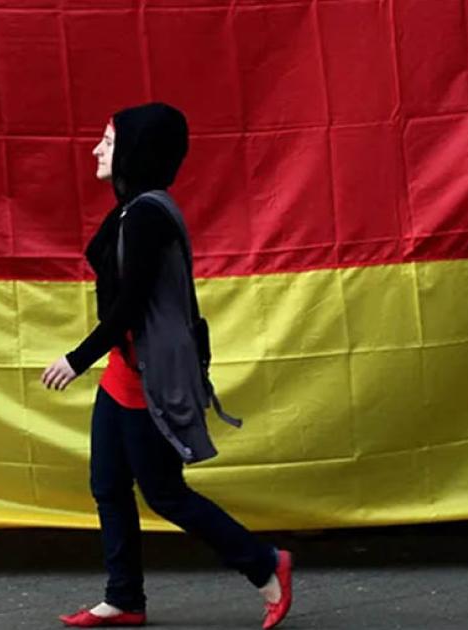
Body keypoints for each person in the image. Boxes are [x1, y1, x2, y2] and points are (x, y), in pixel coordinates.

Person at [41, 103, 294, 629]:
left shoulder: (147, 216)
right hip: (124, 370)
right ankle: (124, 597)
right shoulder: (133, 209)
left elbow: (129, 306)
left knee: (164, 493)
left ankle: (265, 564)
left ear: (134, 152)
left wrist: (76, 359)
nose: (96, 149)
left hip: (146, 376)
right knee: (108, 485)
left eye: (108, 141)